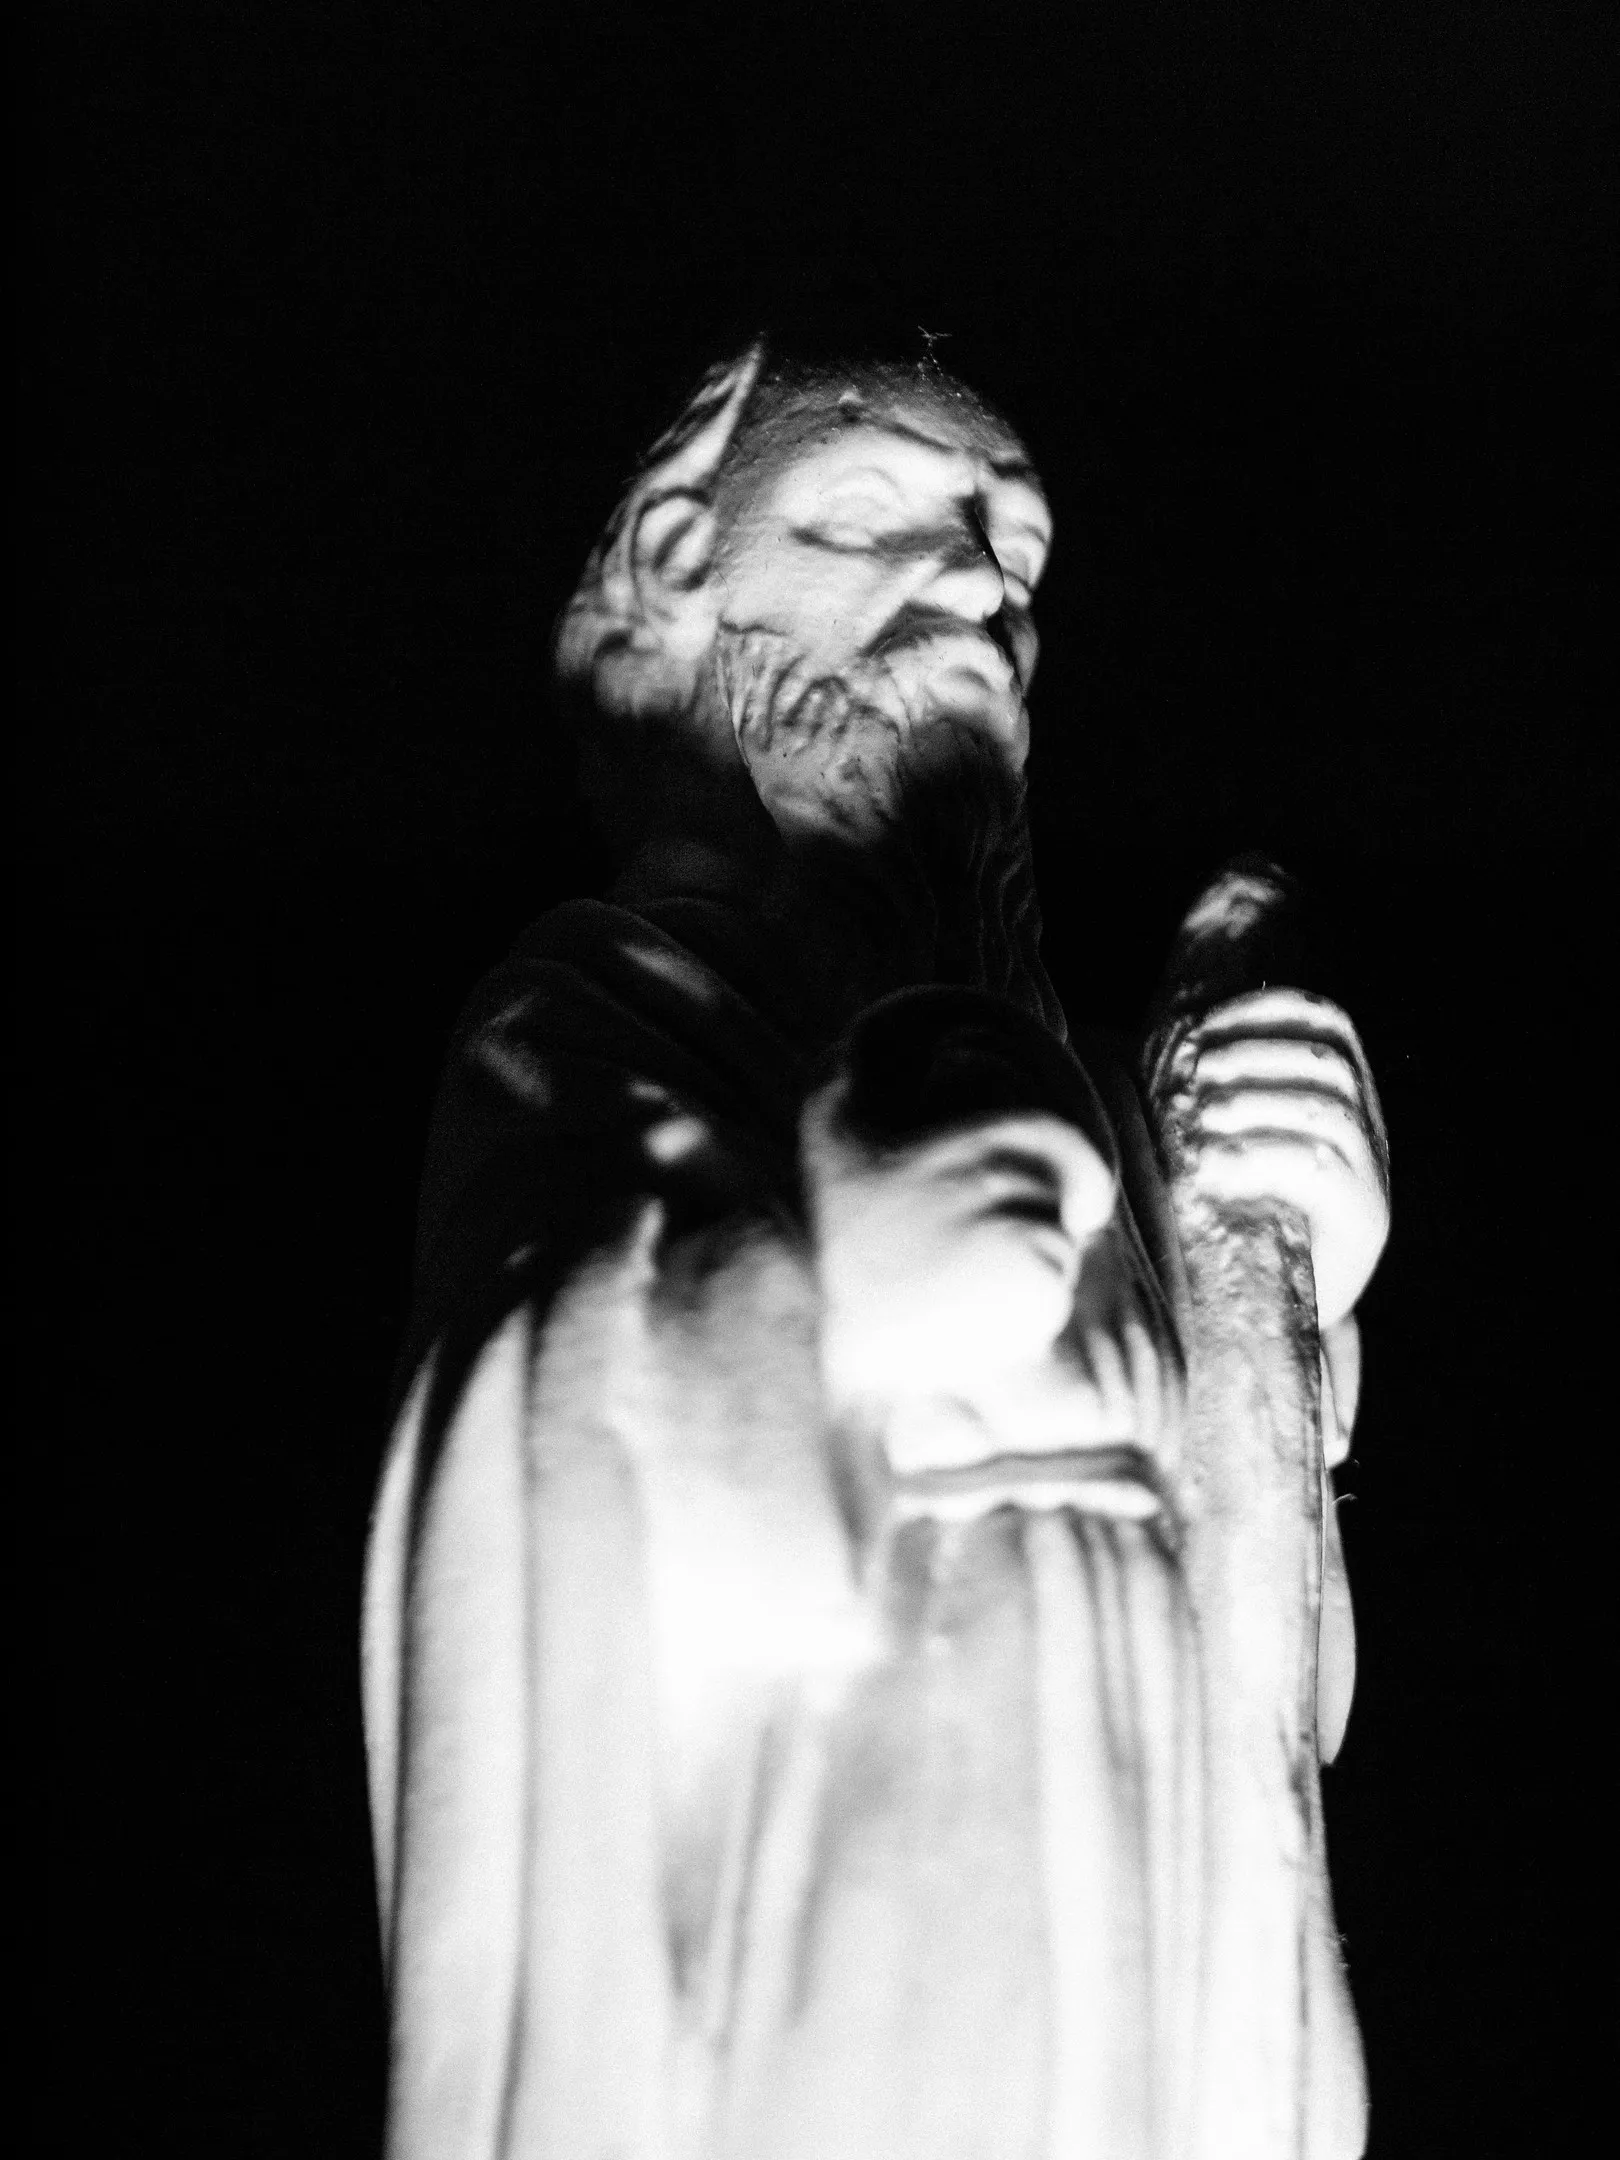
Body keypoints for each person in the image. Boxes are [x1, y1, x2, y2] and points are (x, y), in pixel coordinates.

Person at [362, 342, 1389, 2159]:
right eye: (872, 512)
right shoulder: (610, 1004)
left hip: (1147, 1959)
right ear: (684, 574)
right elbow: (535, 1416)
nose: (982, 584)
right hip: (846, 1956)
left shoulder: (1064, 1066)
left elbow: (1293, 1683)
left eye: (1015, 547)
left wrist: (1286, 1264)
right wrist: (834, 1301)